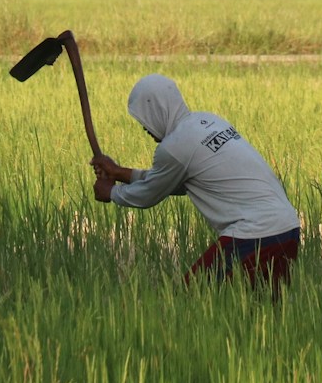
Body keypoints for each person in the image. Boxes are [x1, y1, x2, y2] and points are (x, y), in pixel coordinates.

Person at [91, 73, 302, 293]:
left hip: (253, 232)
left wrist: (112, 192)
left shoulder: (174, 147)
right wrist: (118, 172)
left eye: (144, 120)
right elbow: (176, 182)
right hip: (287, 227)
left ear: (156, 112)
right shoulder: (208, 121)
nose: (145, 128)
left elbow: (149, 194)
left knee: (191, 299)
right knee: (264, 311)